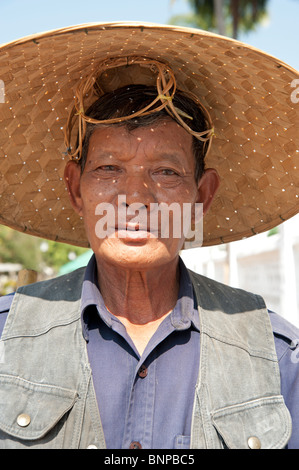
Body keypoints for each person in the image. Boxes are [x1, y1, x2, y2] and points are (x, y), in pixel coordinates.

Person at [0, 23, 298, 449]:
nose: (135, 198)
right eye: (108, 169)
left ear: (201, 196)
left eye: (166, 172)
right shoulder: (6, 340)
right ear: (74, 189)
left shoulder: (277, 357)